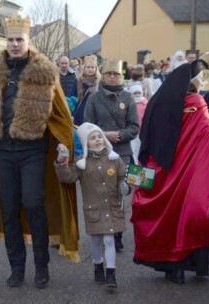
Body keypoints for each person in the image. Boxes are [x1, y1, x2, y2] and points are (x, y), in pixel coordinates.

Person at [0, 15, 80, 289]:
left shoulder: (45, 72)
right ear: (6, 41)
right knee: (9, 209)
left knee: (34, 204)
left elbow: (60, 115)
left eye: (19, 40)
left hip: (33, 151)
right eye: (11, 40)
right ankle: (16, 268)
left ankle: (41, 267)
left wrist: (62, 140)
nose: (14, 44)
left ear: (28, 41)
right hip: (1, 151)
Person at [133, 61, 209, 284]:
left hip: (159, 169)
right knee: (186, 213)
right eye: (199, 77)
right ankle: (191, 264)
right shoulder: (196, 101)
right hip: (189, 171)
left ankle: (170, 268)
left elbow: (145, 135)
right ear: (191, 80)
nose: (201, 80)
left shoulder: (157, 100)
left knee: (161, 216)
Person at [55, 123, 128, 288]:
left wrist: (126, 186)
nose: (97, 140)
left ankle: (111, 274)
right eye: (92, 138)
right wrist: (62, 163)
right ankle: (98, 266)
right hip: (93, 210)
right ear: (85, 142)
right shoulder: (82, 162)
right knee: (96, 241)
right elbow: (68, 177)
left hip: (112, 207)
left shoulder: (114, 159)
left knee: (109, 240)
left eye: (99, 136)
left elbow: (123, 177)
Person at [84, 59, 140, 252]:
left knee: (119, 193)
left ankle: (117, 233)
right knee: (101, 193)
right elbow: (86, 126)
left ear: (121, 76)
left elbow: (134, 127)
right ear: (103, 75)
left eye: (116, 74)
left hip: (122, 152)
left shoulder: (128, 97)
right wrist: (103, 135)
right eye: (109, 74)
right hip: (99, 152)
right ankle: (101, 230)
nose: (113, 77)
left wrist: (120, 135)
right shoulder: (93, 98)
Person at [70, 54, 100, 126]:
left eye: (92, 67)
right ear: (84, 68)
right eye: (88, 67)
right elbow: (72, 97)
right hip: (80, 113)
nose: (90, 69)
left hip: (94, 113)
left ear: (96, 69)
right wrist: (71, 113)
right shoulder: (78, 81)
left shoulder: (99, 82)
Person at [128, 83, 148, 164]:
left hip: (142, 131)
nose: (137, 95)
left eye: (139, 93)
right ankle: (134, 164)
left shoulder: (145, 103)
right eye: (135, 93)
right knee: (133, 150)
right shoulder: (129, 103)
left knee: (140, 149)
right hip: (132, 131)